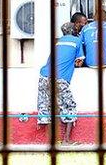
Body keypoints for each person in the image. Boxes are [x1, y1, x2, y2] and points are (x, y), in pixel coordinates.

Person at [36, 12, 86, 143]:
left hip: (44, 76)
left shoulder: (57, 43)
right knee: (69, 107)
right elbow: (79, 62)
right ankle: (66, 140)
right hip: (60, 78)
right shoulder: (77, 41)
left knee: (47, 106)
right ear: (74, 30)